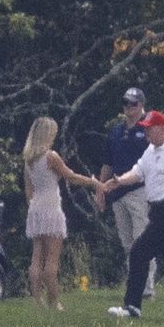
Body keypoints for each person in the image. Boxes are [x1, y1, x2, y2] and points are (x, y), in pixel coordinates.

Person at [104, 110, 164, 325]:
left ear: (163, 129)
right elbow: (138, 173)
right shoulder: (151, 151)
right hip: (157, 210)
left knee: (139, 252)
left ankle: (132, 305)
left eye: (150, 129)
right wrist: (118, 181)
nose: (146, 132)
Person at [23, 116, 103, 311]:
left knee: (36, 257)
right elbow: (71, 177)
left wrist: (33, 208)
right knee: (51, 260)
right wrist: (93, 182)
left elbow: (28, 189)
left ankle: (36, 301)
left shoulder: (28, 158)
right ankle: (53, 301)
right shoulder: (51, 156)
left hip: (35, 207)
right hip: (51, 207)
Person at [96, 87, 157, 298]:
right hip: (117, 192)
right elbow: (108, 162)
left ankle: (146, 287)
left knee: (142, 239)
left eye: (133, 104)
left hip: (140, 190)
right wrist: (101, 189)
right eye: (126, 103)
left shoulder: (147, 130)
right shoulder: (116, 131)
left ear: (141, 105)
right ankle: (135, 283)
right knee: (127, 242)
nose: (128, 108)